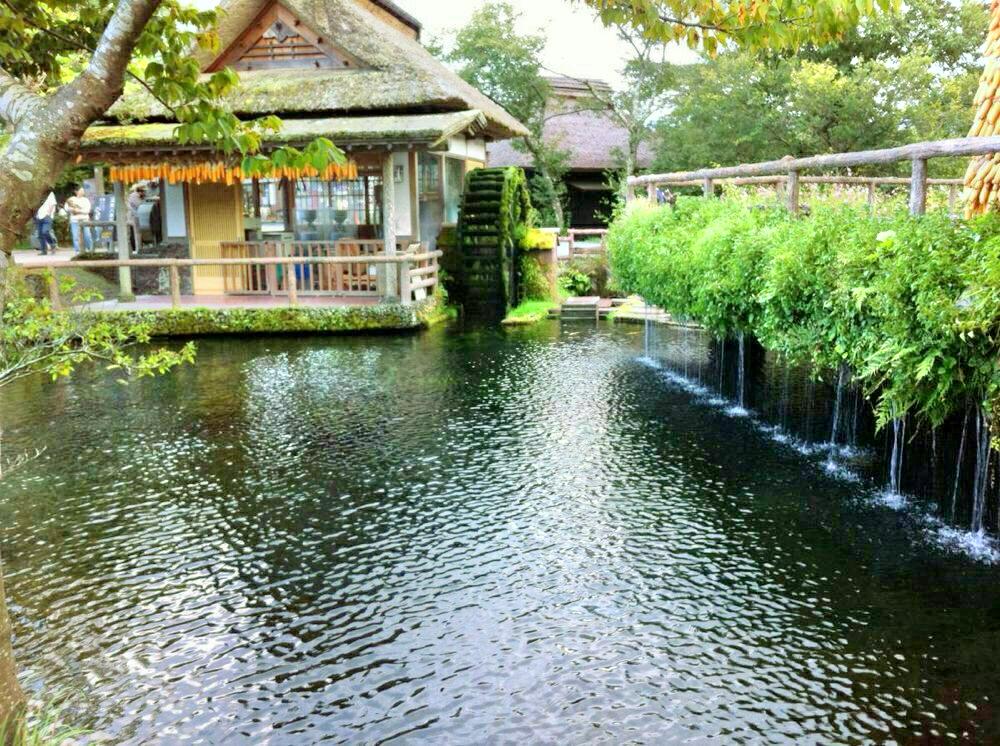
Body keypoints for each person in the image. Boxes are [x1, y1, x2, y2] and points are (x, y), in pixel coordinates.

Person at [65, 187, 93, 254]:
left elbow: (87, 210)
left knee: (87, 235)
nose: (82, 192)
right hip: (75, 220)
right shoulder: (71, 199)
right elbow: (66, 208)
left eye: (83, 191)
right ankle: (77, 251)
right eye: (81, 190)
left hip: (84, 219)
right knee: (75, 236)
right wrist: (72, 210)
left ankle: (89, 249)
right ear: (76, 191)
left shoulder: (86, 200)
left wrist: (78, 211)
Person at [127, 184, 146, 252]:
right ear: (140, 191)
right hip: (133, 216)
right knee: (136, 233)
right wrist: (143, 199)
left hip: (133, 216)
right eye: (144, 191)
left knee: (134, 233)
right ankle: (137, 248)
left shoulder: (133, 195)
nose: (144, 193)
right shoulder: (135, 196)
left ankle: (136, 248)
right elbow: (139, 205)